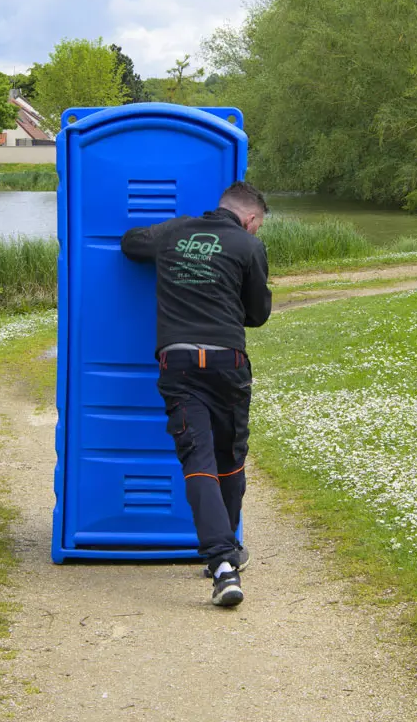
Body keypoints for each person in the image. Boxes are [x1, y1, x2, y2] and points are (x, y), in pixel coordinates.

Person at [120, 180, 271, 607]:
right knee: (229, 458)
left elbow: (130, 243)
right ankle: (225, 556)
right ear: (250, 219)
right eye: (257, 225)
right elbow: (258, 314)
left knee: (198, 460)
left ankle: (223, 561)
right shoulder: (248, 246)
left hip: (179, 363)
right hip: (227, 364)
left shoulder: (174, 231)